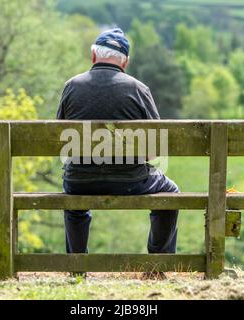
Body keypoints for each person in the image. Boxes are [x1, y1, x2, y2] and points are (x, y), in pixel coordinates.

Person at [57, 28, 179, 279]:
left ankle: (77, 268)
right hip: (130, 180)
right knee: (171, 193)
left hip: (80, 180)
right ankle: (156, 266)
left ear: (93, 56)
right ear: (124, 61)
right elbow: (156, 147)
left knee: (73, 196)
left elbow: (61, 141)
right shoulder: (138, 89)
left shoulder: (71, 86)